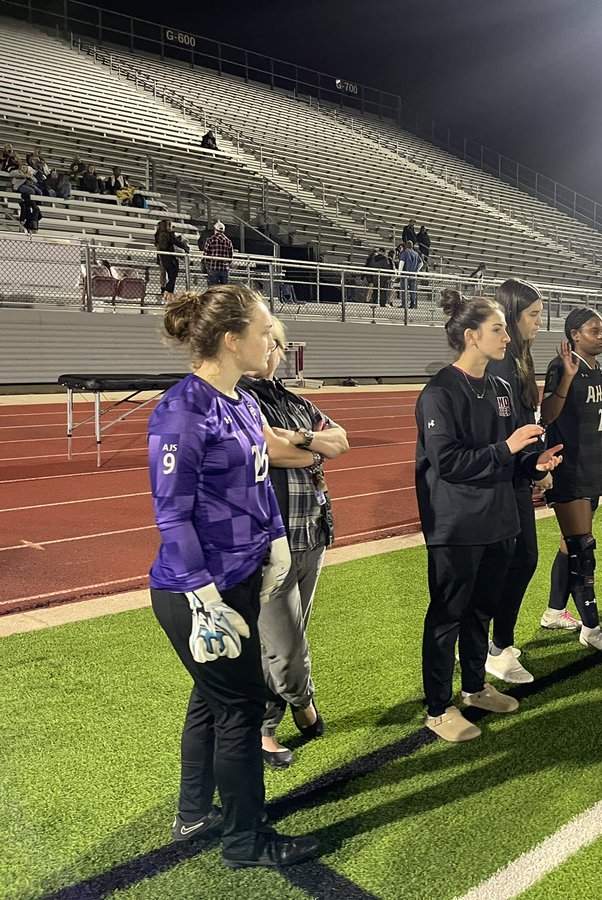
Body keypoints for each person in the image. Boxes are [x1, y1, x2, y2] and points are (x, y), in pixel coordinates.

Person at [148, 284, 319, 869]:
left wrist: (276, 544)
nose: (272, 341)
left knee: (211, 699)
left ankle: (195, 811)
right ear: (230, 340)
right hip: (198, 590)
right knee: (241, 709)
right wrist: (203, 597)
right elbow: (172, 515)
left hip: (240, 577)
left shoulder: (243, 402)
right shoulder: (182, 410)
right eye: (264, 331)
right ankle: (246, 841)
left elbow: (259, 483)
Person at [415, 288, 562, 742]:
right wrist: (508, 448)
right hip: (457, 524)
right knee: (448, 615)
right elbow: (448, 462)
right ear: (470, 336)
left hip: (499, 519)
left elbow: (511, 456)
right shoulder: (440, 391)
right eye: (497, 329)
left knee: (481, 610)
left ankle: (475, 687)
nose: (506, 336)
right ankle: (438, 708)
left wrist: (533, 464)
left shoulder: (500, 388)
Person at [240, 318, 350, 768]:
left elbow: (341, 440)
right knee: (282, 644)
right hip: (272, 537)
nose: (270, 349)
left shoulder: (296, 403)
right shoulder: (240, 398)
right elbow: (271, 451)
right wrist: (311, 450)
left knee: (292, 634)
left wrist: (302, 439)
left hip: (312, 531)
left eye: (276, 343)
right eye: (265, 340)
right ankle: (298, 706)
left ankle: (270, 723)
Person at [542, 308, 602, 653]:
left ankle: (553, 612)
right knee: (582, 547)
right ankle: (591, 628)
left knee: (570, 543)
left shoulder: (595, 367)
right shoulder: (561, 365)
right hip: (569, 466)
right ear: (575, 335)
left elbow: (601, 402)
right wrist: (566, 377)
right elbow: (548, 414)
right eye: (594, 331)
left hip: (591, 465)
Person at [484, 278, 547, 684]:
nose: (539, 322)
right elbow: (504, 429)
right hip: (501, 479)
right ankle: (496, 648)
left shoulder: (519, 357)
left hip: (516, 473)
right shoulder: (502, 362)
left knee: (517, 560)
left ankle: (491, 643)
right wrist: (528, 464)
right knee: (516, 560)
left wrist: (536, 466)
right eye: (533, 315)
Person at [155, 220, 189, 301]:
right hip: (170, 258)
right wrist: (185, 247)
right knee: (173, 276)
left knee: (164, 274)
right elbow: (177, 242)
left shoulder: (157, 235)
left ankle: (164, 290)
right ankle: (168, 292)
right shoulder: (170, 234)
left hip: (162, 257)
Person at [204, 222, 234, 286]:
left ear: (215, 229)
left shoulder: (210, 240)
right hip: (224, 268)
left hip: (213, 267)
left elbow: (206, 255)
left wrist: (207, 265)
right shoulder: (228, 241)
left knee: (213, 288)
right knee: (224, 288)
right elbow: (230, 257)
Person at [397, 241, 422, 308]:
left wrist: (399, 273)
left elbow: (402, 262)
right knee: (412, 291)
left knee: (404, 290)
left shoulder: (405, 252)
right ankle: (413, 304)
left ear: (406, 245)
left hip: (405, 274)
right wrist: (416, 270)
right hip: (413, 275)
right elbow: (421, 263)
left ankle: (404, 304)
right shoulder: (416, 253)